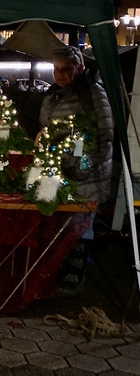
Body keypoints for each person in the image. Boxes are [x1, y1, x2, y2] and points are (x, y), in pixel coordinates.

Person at [38, 45, 114, 292]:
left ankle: (74, 276)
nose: (60, 75)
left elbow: (101, 138)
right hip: (62, 171)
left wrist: (80, 169)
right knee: (64, 223)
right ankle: (61, 270)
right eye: (56, 70)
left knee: (82, 224)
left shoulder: (91, 95)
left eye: (66, 69)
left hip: (84, 177)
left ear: (79, 68)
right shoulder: (55, 95)